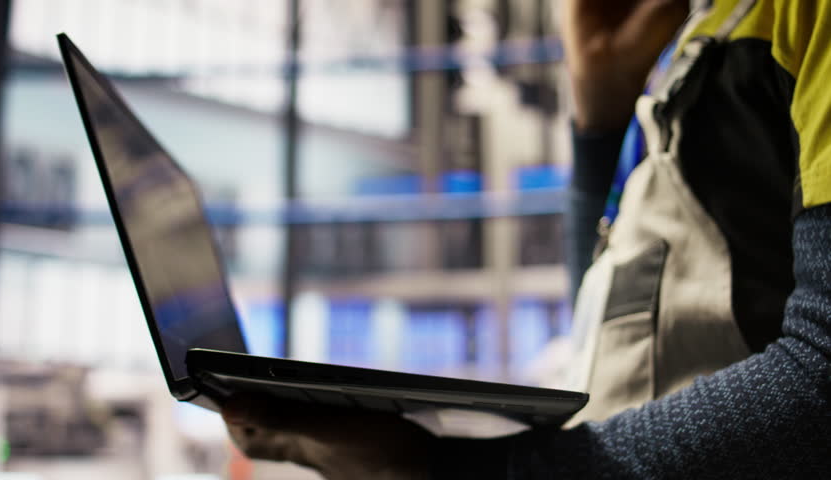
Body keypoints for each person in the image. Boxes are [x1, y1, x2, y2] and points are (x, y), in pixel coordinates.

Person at [220, 0, 831, 478]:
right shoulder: (696, 36)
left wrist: (448, 471)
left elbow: (822, 377)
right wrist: (600, 119)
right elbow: (606, 331)